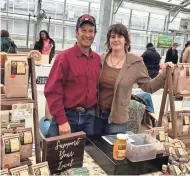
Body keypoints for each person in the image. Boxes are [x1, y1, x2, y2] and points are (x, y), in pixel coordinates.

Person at [96, 24, 174, 135]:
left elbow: (149, 86)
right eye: (113, 37)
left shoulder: (135, 62)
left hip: (118, 119)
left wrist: (164, 74)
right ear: (108, 40)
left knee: (115, 150)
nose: (116, 40)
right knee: (94, 149)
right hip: (95, 116)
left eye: (120, 36)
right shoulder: (100, 59)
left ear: (126, 40)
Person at [43, 14, 100, 137]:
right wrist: (62, 120)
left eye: (91, 31)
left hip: (89, 118)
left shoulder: (97, 59)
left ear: (94, 34)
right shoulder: (64, 57)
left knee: (87, 154)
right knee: (56, 154)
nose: (87, 34)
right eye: (83, 30)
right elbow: (52, 90)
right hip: (68, 116)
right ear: (76, 33)